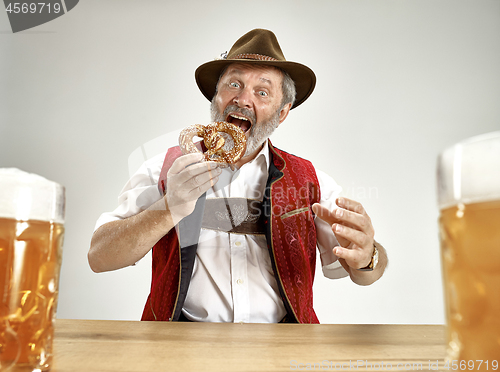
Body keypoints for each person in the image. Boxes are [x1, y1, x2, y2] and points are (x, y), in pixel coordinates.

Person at [88, 29, 388, 324]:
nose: (243, 99)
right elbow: (99, 257)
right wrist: (170, 207)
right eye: (234, 84)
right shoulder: (163, 170)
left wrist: (368, 256)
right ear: (215, 97)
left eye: (262, 91)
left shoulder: (311, 181)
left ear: (282, 113)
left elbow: (366, 274)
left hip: (285, 350)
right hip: (179, 349)